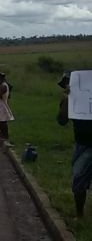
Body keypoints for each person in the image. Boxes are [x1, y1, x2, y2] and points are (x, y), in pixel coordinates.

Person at [57, 71, 92, 218]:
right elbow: (62, 121)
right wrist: (66, 100)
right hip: (83, 144)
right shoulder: (70, 100)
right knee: (79, 181)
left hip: (84, 145)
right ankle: (79, 215)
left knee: (79, 178)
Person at [0, 73, 14, 144]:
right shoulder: (2, 85)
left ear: (1, 79)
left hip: (2, 104)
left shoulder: (4, 86)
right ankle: (2, 132)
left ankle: (5, 134)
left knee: (2, 120)